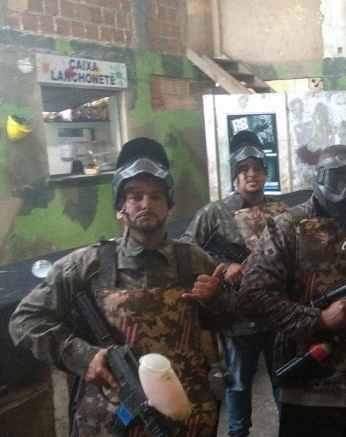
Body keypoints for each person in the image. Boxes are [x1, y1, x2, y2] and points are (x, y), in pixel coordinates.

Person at [10, 138, 232, 436]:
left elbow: (230, 321)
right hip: (111, 418)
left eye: (156, 196)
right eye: (135, 196)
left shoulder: (194, 260)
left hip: (185, 416)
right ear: (119, 207)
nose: (146, 204)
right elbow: (25, 320)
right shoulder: (87, 265)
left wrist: (215, 299)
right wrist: (84, 356)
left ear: (168, 206)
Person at [237, 145, 346, 437]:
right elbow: (252, 299)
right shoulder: (288, 227)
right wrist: (318, 319)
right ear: (319, 178)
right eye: (338, 179)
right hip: (309, 385)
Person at [182, 130, 287, 436]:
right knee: (239, 386)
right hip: (237, 318)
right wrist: (225, 267)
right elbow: (186, 252)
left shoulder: (279, 211)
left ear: (266, 173)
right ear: (235, 175)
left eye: (257, 168)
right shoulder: (214, 213)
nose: (251, 174)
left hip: (276, 314)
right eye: (244, 169)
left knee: (284, 380)